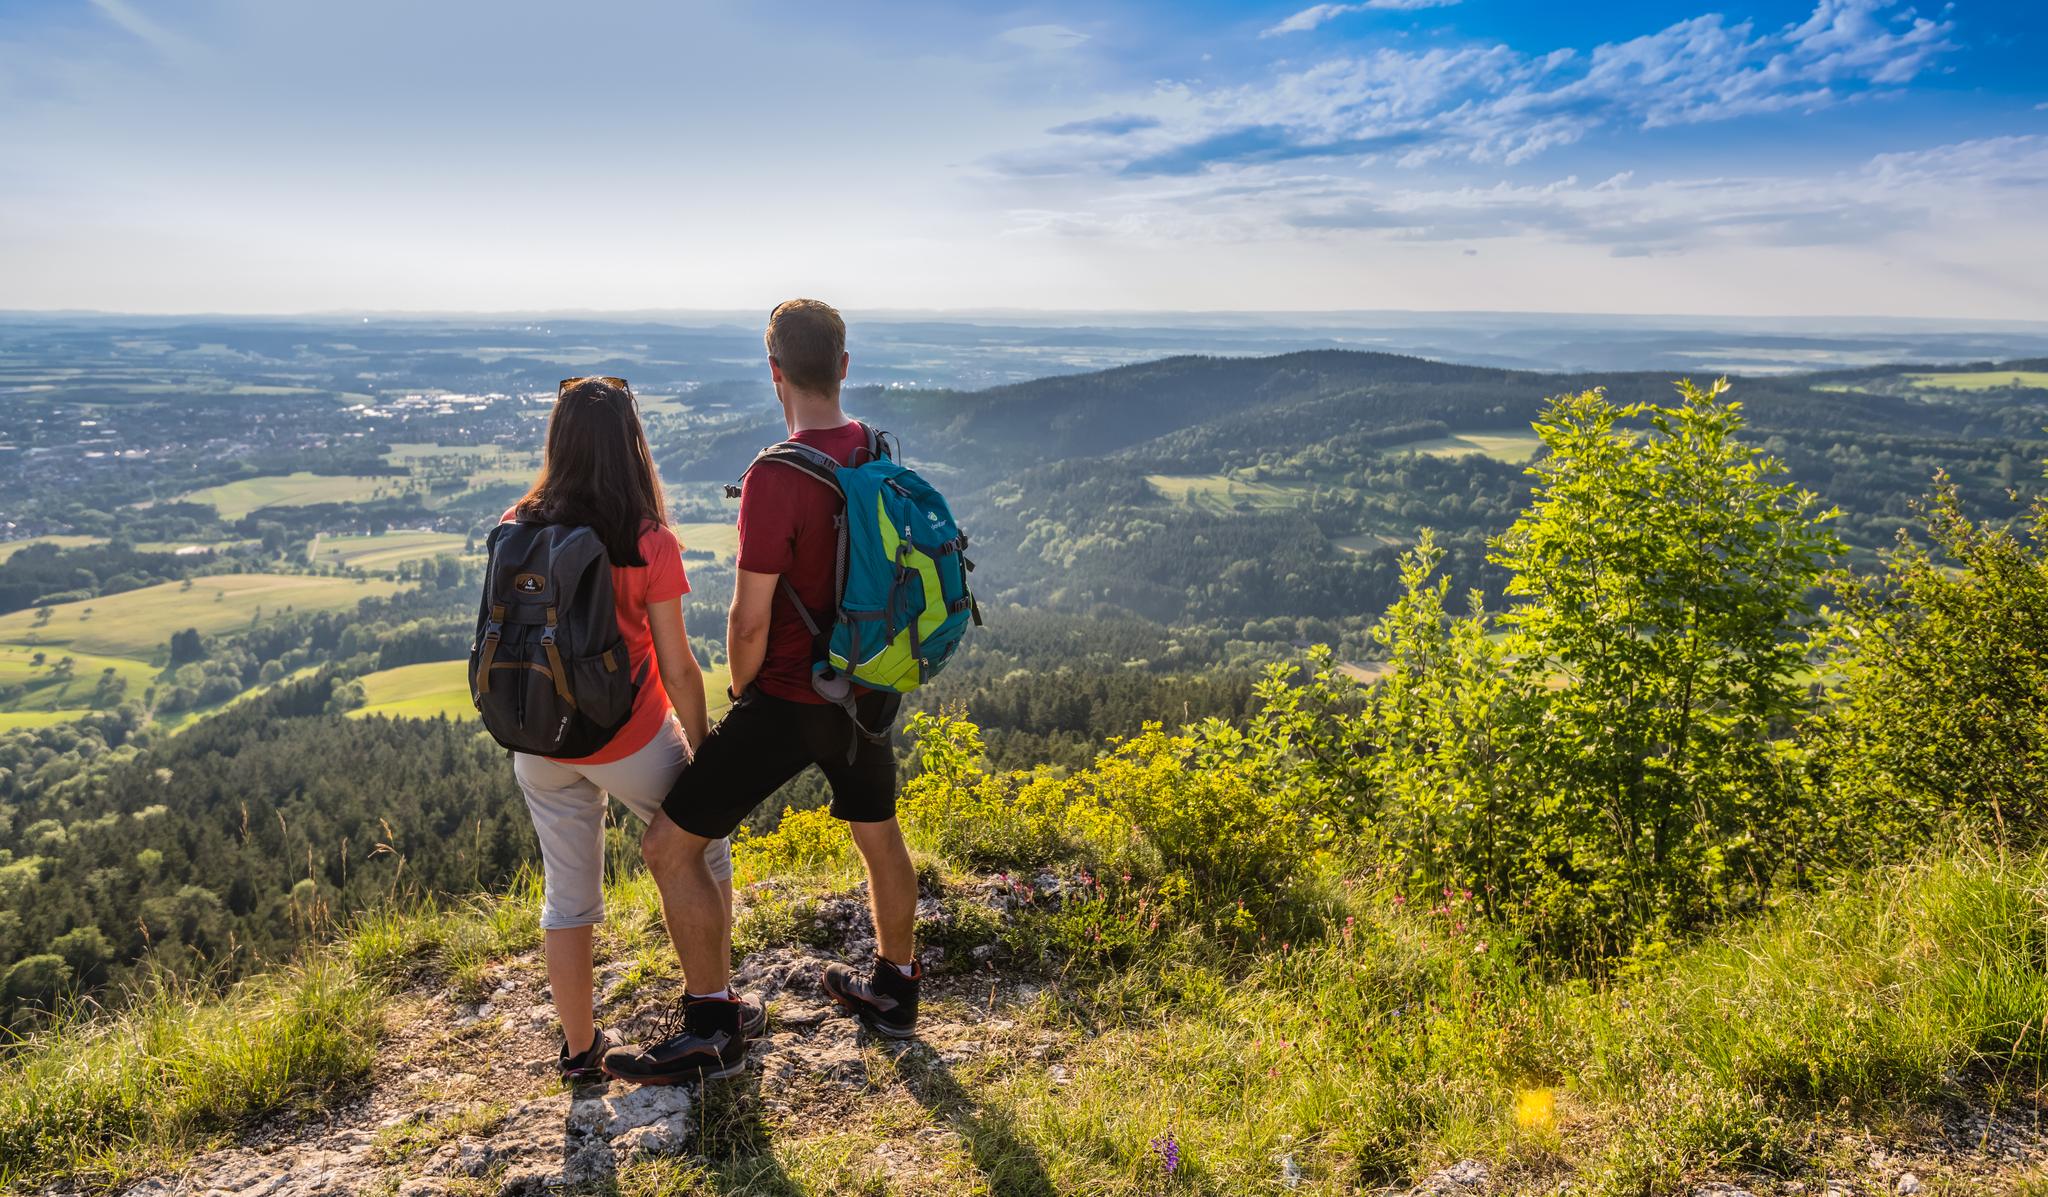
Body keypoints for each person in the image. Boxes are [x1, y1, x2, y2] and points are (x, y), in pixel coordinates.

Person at [604, 300, 922, 1086]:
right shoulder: (874, 448)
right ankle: (896, 986)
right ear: (844, 366)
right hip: (867, 692)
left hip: (787, 698)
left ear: (773, 371)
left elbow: (749, 618)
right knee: (878, 834)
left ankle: (712, 1022)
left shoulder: (775, 475)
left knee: (668, 845)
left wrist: (741, 692)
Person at [504, 375, 760, 1084]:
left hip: (540, 739)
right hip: (631, 737)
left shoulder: (517, 521)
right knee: (700, 848)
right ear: (632, 444)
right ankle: (716, 1003)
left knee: (568, 895)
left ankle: (580, 1050)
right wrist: (705, 746)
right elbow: (678, 667)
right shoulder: (648, 538)